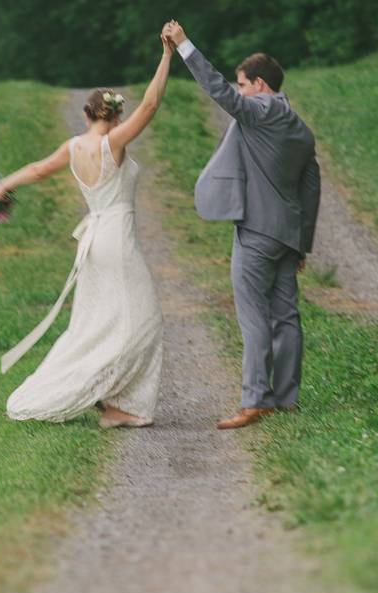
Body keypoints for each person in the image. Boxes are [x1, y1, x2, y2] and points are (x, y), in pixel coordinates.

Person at [0, 34, 176, 428]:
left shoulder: (74, 147)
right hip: (115, 241)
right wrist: (166, 55)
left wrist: (1, 185)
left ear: (87, 115)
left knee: (97, 323)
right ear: (115, 116)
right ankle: (113, 402)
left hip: (93, 243)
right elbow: (152, 103)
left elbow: (38, 170)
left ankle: (114, 401)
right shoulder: (113, 144)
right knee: (143, 321)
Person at [162, 20, 321, 430]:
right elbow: (311, 189)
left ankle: (254, 400)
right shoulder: (300, 130)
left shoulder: (262, 112)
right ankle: (286, 398)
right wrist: (302, 245)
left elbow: (219, 92)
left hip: (256, 233)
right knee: (285, 316)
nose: (241, 93)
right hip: (287, 235)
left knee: (252, 315)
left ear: (261, 85)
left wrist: (184, 45)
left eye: (244, 85)